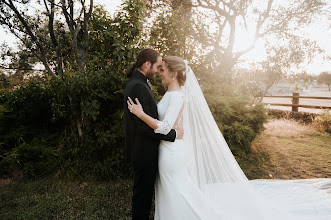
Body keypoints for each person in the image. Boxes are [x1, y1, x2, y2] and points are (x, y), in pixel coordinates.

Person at [127, 55, 331, 219]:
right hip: (167, 150)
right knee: (171, 190)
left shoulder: (178, 96)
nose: (160, 73)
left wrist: (140, 114)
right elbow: (169, 126)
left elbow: (164, 127)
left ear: (173, 73)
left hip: (171, 153)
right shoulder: (171, 95)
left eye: (163, 70)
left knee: (177, 191)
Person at [123, 49, 184, 220]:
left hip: (151, 151)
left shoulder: (141, 84)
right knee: (142, 198)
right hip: (144, 151)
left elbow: (152, 120)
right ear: (146, 64)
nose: (158, 71)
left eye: (162, 68)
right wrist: (172, 134)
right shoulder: (138, 86)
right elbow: (143, 126)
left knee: (146, 196)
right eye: (158, 67)